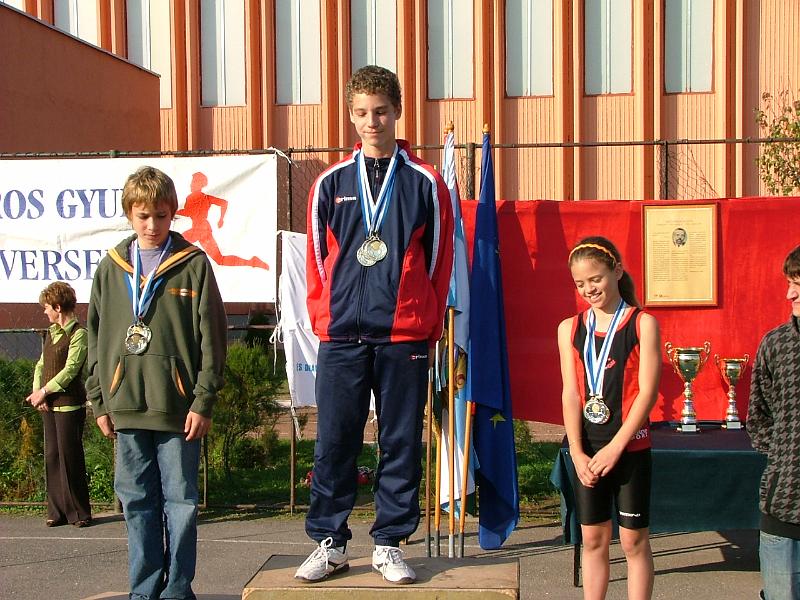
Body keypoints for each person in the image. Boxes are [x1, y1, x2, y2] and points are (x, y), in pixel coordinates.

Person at [297, 65, 453, 585]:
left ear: (398, 111)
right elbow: (316, 259)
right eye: (362, 113)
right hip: (342, 333)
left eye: (381, 112)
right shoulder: (330, 183)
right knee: (334, 441)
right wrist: (327, 315)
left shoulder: (425, 182)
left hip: (403, 334)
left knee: (401, 441)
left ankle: (389, 542)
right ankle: (330, 541)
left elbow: (439, 261)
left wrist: (424, 320)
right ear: (350, 115)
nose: (372, 122)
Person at [85, 166, 227, 600]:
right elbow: (93, 337)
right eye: (143, 216)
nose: (152, 225)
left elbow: (213, 337)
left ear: (173, 214)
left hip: (179, 410)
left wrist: (203, 400)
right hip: (125, 406)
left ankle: (177, 590)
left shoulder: (193, 265)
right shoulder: (111, 269)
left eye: (161, 216)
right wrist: (99, 400)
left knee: (181, 504)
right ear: (130, 214)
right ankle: (144, 590)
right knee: (137, 503)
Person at [557, 237, 661, 600]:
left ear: (617, 271)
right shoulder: (569, 328)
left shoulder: (642, 323)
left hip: (629, 448)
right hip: (588, 453)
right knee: (593, 539)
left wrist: (617, 446)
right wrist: (576, 452)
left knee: (633, 541)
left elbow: (647, 392)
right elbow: (571, 393)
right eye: (580, 283)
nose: (589, 289)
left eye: (596, 279)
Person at [747, 244, 800, 600]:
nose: (789, 293)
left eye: (798, 284)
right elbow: (759, 416)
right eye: (789, 283)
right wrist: (786, 460)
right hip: (784, 504)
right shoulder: (776, 345)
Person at [25, 281, 91, 528]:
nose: (45, 312)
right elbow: (41, 365)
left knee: (70, 457)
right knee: (52, 456)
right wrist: (38, 393)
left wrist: (45, 391)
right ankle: (57, 511)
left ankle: (79, 512)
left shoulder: (79, 334)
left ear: (57, 306)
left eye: (46, 307)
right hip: (48, 405)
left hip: (69, 405)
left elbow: (71, 370)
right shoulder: (51, 333)